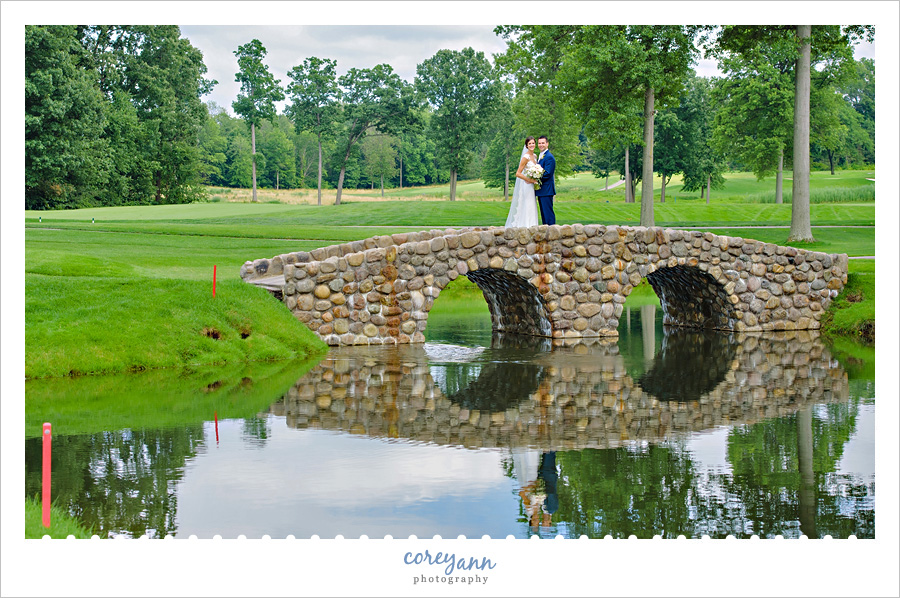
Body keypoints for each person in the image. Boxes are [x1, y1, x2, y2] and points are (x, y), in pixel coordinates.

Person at [505, 136, 540, 228]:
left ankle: (533, 225)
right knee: (528, 204)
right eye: (529, 144)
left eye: (533, 143)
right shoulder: (526, 157)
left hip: (532, 185)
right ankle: (526, 225)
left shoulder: (535, 156)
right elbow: (518, 173)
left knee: (532, 205)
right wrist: (529, 180)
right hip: (527, 184)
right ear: (526, 146)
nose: (531, 145)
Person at [535, 135, 556, 225]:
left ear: (547, 144)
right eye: (539, 143)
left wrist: (535, 178)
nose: (541, 145)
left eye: (543, 143)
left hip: (546, 190)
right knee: (544, 215)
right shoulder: (541, 156)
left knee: (548, 215)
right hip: (542, 190)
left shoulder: (549, 157)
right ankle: (546, 231)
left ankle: (552, 231)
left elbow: (547, 173)